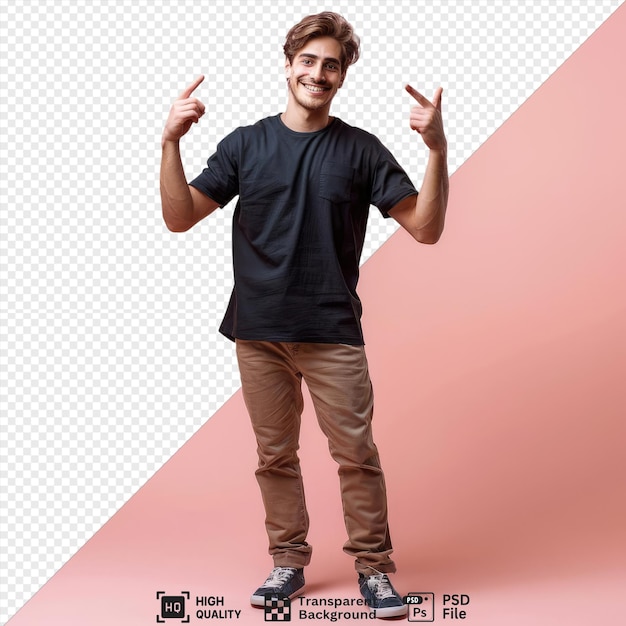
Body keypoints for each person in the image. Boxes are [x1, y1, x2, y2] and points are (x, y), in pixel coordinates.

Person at [160, 11, 448, 619]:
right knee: (274, 457)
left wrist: (437, 149)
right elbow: (180, 216)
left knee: (357, 455)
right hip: (258, 331)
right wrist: (170, 142)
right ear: (289, 64)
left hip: (331, 331)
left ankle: (374, 570)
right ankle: (287, 562)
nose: (318, 73)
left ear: (343, 77)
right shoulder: (245, 143)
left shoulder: (361, 150)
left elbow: (425, 228)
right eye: (308, 61)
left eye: (331, 65)